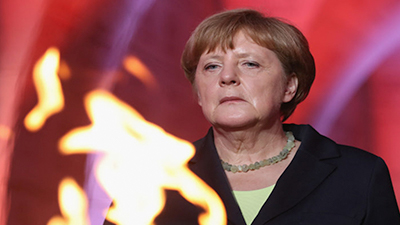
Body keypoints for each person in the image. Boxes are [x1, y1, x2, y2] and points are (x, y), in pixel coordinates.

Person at [104, 8, 400, 225]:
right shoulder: (152, 179)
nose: (228, 77)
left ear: (289, 86)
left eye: (250, 64)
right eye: (211, 67)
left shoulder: (359, 176)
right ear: (198, 91)